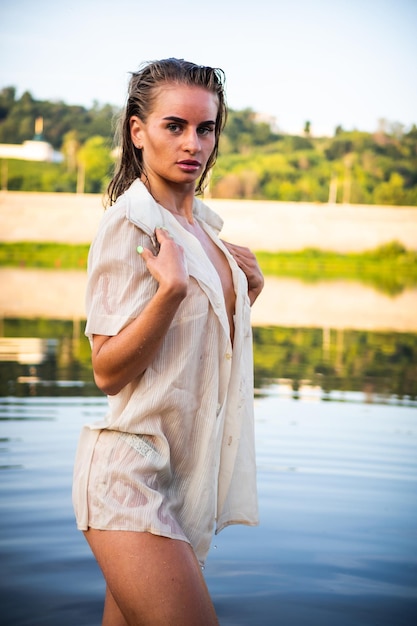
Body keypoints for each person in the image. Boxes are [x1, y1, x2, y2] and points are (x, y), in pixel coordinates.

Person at [72, 58, 264, 626]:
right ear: (138, 131)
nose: (194, 143)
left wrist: (247, 294)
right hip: (130, 479)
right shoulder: (131, 225)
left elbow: (202, 363)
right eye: (174, 126)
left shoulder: (207, 232)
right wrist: (169, 292)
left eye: (206, 128)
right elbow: (107, 370)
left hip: (185, 486)